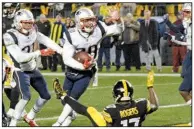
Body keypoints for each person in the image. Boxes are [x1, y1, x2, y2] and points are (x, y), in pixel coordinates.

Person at [52, 7, 124, 126]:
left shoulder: (99, 28)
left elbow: (118, 30)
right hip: (72, 69)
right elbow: (66, 59)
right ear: (78, 22)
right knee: (64, 99)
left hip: (87, 72)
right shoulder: (71, 35)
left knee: (73, 98)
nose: (90, 23)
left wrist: (118, 20)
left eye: (91, 19)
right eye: (86, 20)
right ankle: (72, 115)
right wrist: (82, 66)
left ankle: (59, 123)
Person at [3, 9, 63, 127]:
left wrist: (61, 51)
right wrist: (39, 53)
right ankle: (12, 122)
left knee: (46, 95)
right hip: (17, 69)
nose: (29, 25)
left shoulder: (33, 30)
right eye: (26, 23)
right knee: (24, 96)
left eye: (30, 23)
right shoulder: (9, 35)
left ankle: (30, 116)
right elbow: (20, 58)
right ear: (18, 22)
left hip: (32, 68)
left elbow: (46, 40)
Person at [53, 71, 159, 126]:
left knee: (91, 111)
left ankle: (63, 96)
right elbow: (155, 105)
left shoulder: (111, 110)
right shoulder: (141, 105)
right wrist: (150, 86)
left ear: (116, 94)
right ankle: (63, 96)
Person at [164, 3, 192, 105]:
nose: (185, 14)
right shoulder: (186, 23)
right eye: (184, 11)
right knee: (184, 75)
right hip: (190, 54)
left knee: (184, 90)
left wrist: (176, 40)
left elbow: (189, 42)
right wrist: (167, 22)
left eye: (187, 12)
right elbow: (176, 29)